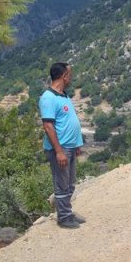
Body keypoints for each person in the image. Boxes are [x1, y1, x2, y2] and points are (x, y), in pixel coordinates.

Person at [39, 62, 85, 229]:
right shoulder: (48, 98)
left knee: (70, 183)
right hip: (60, 148)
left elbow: (68, 121)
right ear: (63, 76)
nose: (71, 77)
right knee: (62, 184)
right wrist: (59, 151)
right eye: (69, 74)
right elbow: (48, 126)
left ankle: (67, 211)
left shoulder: (63, 96)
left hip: (70, 146)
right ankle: (64, 217)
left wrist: (77, 144)